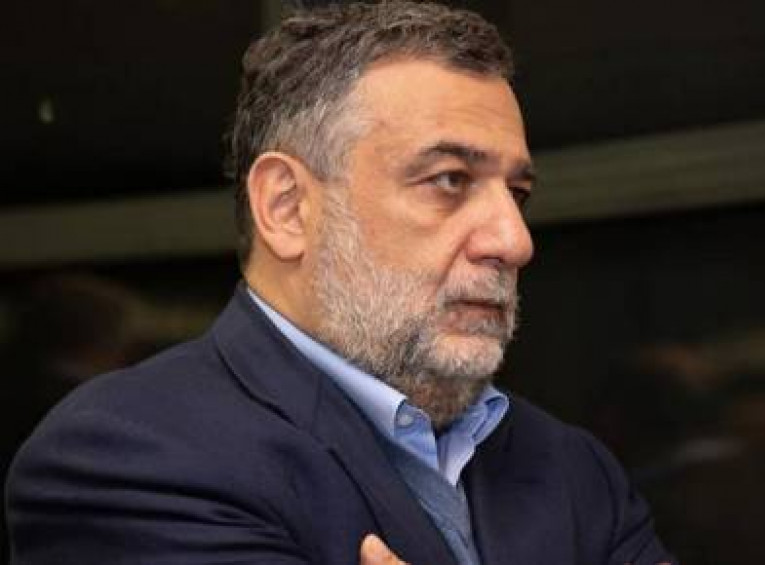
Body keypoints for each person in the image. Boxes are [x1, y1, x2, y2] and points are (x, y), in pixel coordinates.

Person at [5, 3, 676, 564]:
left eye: (517, 193)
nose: (514, 240)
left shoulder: (572, 469)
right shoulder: (129, 455)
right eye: (449, 180)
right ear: (288, 208)